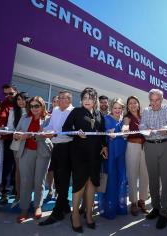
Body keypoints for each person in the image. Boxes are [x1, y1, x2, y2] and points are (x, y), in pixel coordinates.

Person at [62, 87, 107, 233]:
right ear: (81, 100)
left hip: (95, 155)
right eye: (85, 98)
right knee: (79, 184)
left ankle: (88, 214)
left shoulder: (100, 115)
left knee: (92, 184)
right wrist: (76, 132)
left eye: (90, 98)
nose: (87, 101)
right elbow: (66, 128)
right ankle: (75, 214)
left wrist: (104, 146)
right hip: (79, 154)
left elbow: (102, 134)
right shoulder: (76, 112)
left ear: (95, 100)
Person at [139, 89, 167, 229]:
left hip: (166, 145)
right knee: (153, 178)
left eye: (157, 100)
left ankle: (165, 212)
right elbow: (142, 125)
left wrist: (165, 128)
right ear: (149, 100)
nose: (155, 103)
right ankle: (155, 207)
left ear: (162, 99)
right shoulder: (146, 111)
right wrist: (145, 129)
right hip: (149, 146)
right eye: (152, 100)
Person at [13, 96, 52, 223]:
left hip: (42, 152)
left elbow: (52, 134)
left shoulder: (49, 118)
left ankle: (37, 206)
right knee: (25, 180)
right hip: (26, 151)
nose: (34, 108)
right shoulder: (24, 117)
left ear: (42, 106)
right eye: (32, 106)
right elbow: (16, 133)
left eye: (37, 106)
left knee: (39, 180)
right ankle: (24, 208)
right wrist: (19, 136)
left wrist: (34, 135)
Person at [39, 91, 74, 226]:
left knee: (64, 179)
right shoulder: (55, 110)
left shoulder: (73, 112)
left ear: (68, 100)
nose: (58, 100)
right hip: (56, 147)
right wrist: (44, 130)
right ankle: (64, 206)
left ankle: (57, 212)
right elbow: (51, 126)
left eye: (61, 98)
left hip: (67, 148)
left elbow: (73, 132)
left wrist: (54, 134)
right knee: (57, 179)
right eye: (58, 98)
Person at [98, 98, 127, 219]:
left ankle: (119, 207)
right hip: (110, 154)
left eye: (119, 108)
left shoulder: (124, 121)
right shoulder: (106, 119)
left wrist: (125, 134)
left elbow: (126, 135)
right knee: (111, 180)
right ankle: (109, 209)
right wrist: (108, 134)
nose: (117, 110)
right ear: (111, 108)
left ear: (122, 109)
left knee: (121, 179)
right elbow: (101, 135)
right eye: (115, 108)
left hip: (121, 154)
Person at [124, 96, 149, 216]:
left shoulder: (144, 116)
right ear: (128, 106)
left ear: (138, 104)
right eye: (130, 103)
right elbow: (124, 130)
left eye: (135, 102)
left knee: (145, 175)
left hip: (145, 148)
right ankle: (133, 202)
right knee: (132, 175)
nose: (133, 105)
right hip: (132, 147)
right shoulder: (127, 118)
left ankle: (142, 200)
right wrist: (125, 128)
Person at [0, 84, 17, 204]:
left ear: (16, 92)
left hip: (21, 139)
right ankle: (5, 192)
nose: (8, 96)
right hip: (7, 140)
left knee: (17, 167)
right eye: (5, 94)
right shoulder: (2, 104)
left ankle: (16, 190)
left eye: (10, 93)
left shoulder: (22, 104)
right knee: (8, 166)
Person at [7, 92, 28, 207]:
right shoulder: (12, 112)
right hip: (17, 144)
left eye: (23, 99)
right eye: (18, 99)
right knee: (19, 170)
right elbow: (10, 128)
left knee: (29, 171)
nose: (21, 101)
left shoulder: (32, 111)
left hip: (30, 144)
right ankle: (18, 195)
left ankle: (26, 195)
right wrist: (16, 133)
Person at [46, 95, 59, 199]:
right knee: (49, 169)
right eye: (54, 101)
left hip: (59, 145)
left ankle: (57, 190)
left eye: (57, 101)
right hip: (47, 145)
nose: (55, 103)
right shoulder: (47, 115)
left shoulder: (64, 115)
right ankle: (50, 189)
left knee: (58, 169)